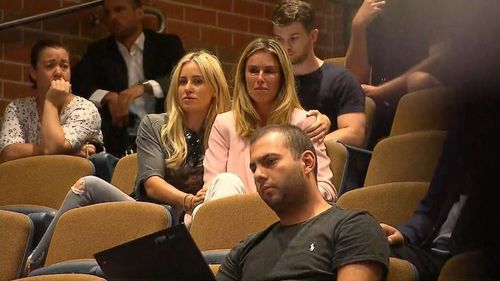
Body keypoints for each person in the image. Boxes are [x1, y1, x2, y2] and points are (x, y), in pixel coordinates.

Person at [24, 50, 230, 272]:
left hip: (196, 221)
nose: (187, 88)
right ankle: (34, 261)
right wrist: (188, 200)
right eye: (182, 81)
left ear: (215, 90)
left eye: (197, 81)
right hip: (151, 212)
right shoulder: (155, 124)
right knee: (87, 185)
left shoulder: (225, 129)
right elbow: (151, 183)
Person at [217, 124, 389, 281]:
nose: (258, 175)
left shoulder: (354, 227)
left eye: (270, 161)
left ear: (307, 162)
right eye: (254, 168)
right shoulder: (245, 249)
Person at [200, 38, 336, 208]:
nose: (260, 78)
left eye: (269, 71)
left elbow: (325, 187)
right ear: (243, 76)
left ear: (282, 78)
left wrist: (289, 192)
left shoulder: (305, 122)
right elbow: (212, 188)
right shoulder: (224, 123)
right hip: (233, 214)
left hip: (286, 214)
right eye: (253, 71)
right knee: (226, 181)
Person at [71, 0, 185, 157]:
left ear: (139, 13)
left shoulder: (166, 45)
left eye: (119, 10)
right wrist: (107, 97)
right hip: (118, 139)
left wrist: (142, 88)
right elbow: (78, 85)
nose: (113, 17)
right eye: (108, 13)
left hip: (164, 133)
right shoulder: (99, 52)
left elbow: (180, 78)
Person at [345, 0, 444, 148]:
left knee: (418, 81)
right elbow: (356, 79)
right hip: (380, 104)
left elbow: (440, 59)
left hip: (418, 101)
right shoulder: (374, 14)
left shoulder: (430, 8)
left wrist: (383, 90)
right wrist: (358, 27)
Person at [272, 0, 366, 147]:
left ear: (313, 36)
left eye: (294, 38)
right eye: (279, 40)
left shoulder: (341, 79)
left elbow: (354, 133)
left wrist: (300, 147)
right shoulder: (273, 80)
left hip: (325, 164)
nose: (286, 47)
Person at [0, 39, 102, 163]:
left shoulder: (85, 109)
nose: (59, 72)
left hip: (77, 180)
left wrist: (51, 102)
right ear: (33, 72)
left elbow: (53, 146)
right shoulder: (18, 108)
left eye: (64, 66)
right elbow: (8, 153)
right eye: (50, 66)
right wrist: (67, 152)